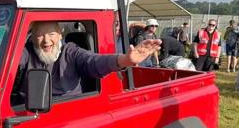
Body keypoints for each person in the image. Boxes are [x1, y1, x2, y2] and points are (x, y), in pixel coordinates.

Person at [12, 21, 162, 105]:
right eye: (39, 35)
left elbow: (94, 61)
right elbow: (12, 61)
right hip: (27, 110)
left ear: (59, 35)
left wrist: (125, 60)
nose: (46, 40)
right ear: (31, 37)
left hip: (67, 111)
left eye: (51, 34)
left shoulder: (70, 51)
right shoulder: (27, 51)